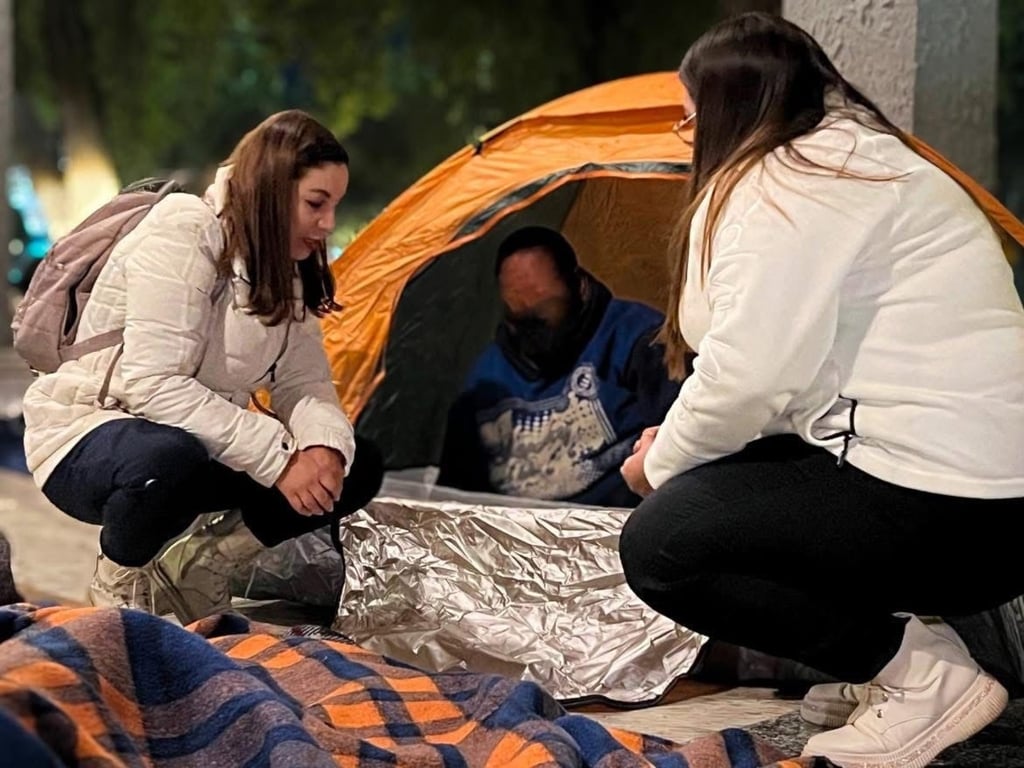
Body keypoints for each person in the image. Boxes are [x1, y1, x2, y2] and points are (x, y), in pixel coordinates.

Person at [617, 13, 1024, 768]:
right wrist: (680, 446)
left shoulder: (792, 180)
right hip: (975, 496)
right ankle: (898, 664)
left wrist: (660, 464)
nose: (687, 132)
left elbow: (749, 373)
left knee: (665, 542)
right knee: (716, 485)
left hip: (956, 508)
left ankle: (923, 679)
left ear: (732, 107)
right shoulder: (851, 160)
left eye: (690, 115)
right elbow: (791, 378)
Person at [21, 110, 383, 624]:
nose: (327, 224)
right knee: (169, 459)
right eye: (315, 204)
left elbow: (304, 381)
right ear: (272, 190)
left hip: (196, 440)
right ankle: (119, 584)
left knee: (353, 463)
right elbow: (153, 385)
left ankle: (203, 565)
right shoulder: (184, 228)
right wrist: (279, 459)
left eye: (334, 206)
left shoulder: (288, 268)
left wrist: (321, 448)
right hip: (89, 434)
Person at [437, 226, 682, 508]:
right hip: (505, 536)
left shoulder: (638, 340)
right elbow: (453, 492)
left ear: (579, 287)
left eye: (544, 306)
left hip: (612, 528)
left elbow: (680, 448)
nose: (532, 322)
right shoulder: (487, 377)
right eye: (518, 310)